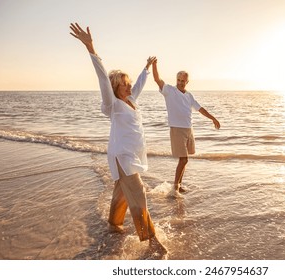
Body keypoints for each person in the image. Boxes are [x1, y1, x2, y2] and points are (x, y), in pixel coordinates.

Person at [69, 23, 167, 256]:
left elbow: (141, 84)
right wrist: (91, 47)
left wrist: (146, 68)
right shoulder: (111, 105)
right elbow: (103, 79)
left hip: (132, 154)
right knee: (138, 191)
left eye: (128, 82)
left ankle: (114, 224)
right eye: (122, 83)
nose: (127, 85)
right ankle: (151, 240)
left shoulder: (131, 100)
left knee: (122, 192)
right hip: (122, 156)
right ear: (114, 87)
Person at [152, 59, 220, 193]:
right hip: (177, 129)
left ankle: (178, 185)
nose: (180, 82)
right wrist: (154, 65)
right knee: (183, 159)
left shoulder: (189, 95)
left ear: (187, 82)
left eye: (183, 81)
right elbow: (157, 79)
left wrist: (213, 118)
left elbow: (200, 109)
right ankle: (175, 188)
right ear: (176, 80)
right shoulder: (169, 91)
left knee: (185, 160)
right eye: (178, 80)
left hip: (189, 129)